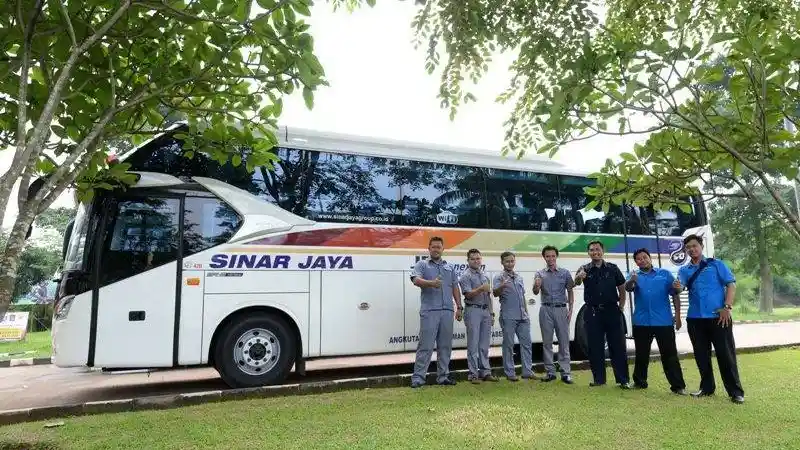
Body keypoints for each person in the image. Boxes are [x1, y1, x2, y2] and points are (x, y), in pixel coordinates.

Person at [677, 234, 744, 404]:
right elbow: (680, 287)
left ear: (701, 246)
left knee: (726, 355)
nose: (691, 249)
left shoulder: (716, 264)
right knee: (701, 355)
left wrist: (727, 307)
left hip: (719, 317)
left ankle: (735, 391)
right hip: (695, 319)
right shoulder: (684, 270)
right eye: (688, 248)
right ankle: (707, 388)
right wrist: (677, 288)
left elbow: (731, 284)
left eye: (694, 246)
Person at [625, 248, 687, 395]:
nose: (642, 260)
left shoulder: (664, 274)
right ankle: (640, 382)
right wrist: (632, 281)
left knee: (669, 354)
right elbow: (628, 288)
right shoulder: (634, 275)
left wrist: (677, 316)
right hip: (641, 322)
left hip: (663, 321)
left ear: (650, 258)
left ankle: (678, 386)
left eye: (644, 257)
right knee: (641, 354)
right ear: (636, 262)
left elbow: (675, 293)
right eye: (639, 259)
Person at [574, 240, 631, 389]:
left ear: (602, 251)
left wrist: (621, 306)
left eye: (597, 249)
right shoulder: (584, 269)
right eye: (592, 250)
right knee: (595, 347)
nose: (595, 252)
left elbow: (622, 288)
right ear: (588, 253)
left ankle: (623, 380)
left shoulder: (613, 268)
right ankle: (599, 380)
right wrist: (580, 277)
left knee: (617, 346)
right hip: (592, 312)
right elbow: (576, 282)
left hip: (612, 311)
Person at [409, 236, 463, 388]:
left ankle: (443, 377)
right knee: (425, 346)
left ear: (443, 249)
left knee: (445, 346)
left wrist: (459, 307)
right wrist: (431, 283)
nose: (436, 249)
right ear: (429, 248)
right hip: (430, 311)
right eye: (433, 247)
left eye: (439, 247)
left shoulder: (449, 267)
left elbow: (454, 287)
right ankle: (418, 379)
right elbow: (415, 280)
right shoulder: (422, 264)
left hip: (447, 311)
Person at [532, 245, 575, 384]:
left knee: (564, 342)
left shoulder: (565, 273)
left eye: (552, 256)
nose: (550, 258)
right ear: (544, 257)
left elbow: (570, 290)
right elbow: (535, 292)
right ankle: (550, 372)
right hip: (546, 309)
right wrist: (537, 286)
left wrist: (571, 309)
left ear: (556, 257)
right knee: (547, 342)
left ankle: (566, 373)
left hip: (561, 309)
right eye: (547, 256)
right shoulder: (539, 273)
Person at [458, 249, 498, 384]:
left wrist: (491, 313)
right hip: (473, 310)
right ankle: (473, 374)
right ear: (468, 261)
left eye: (478, 258)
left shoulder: (484, 275)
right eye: (473, 259)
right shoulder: (465, 276)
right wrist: (481, 288)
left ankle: (486, 372)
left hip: (485, 311)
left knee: (484, 345)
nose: (476, 261)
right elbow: (468, 294)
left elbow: (489, 296)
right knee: (473, 344)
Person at [493, 251, 534, 381]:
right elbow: (494, 293)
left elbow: (522, 296)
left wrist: (526, 314)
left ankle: (527, 371)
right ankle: (510, 373)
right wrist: (502, 286)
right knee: (508, 345)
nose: (510, 263)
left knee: (526, 344)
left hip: (523, 317)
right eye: (507, 261)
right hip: (508, 316)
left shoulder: (519, 277)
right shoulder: (499, 277)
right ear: (502, 263)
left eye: (512, 261)